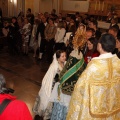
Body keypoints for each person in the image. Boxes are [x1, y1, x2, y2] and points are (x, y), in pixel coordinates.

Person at [66, 33, 120, 120]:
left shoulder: (94, 66)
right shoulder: (118, 63)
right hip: (113, 110)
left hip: (95, 111)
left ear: (100, 45)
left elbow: (80, 88)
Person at [49, 25, 87, 120]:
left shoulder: (73, 55)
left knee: (63, 106)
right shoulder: (81, 56)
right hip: (75, 88)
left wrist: (59, 78)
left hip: (66, 88)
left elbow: (65, 70)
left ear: (75, 43)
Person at [33, 50, 66, 118]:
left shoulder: (65, 64)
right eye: (62, 56)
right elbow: (49, 77)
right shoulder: (54, 66)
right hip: (53, 86)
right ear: (58, 58)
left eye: (65, 56)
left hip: (61, 86)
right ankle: (47, 114)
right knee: (50, 101)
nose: (64, 57)